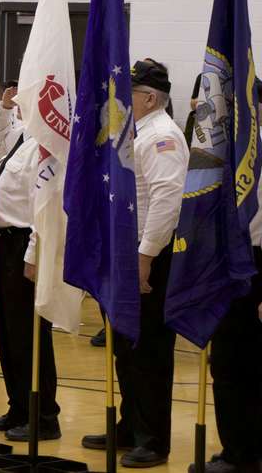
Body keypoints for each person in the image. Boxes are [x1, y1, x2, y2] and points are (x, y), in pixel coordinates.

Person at [81, 59, 189, 468]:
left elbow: (167, 199)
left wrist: (145, 255)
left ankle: (153, 439)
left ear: (148, 97)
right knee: (125, 347)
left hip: (148, 256)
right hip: (125, 252)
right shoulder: (134, 132)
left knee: (148, 352)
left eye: (131, 90)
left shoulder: (162, 136)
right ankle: (130, 426)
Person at [0, 84, 61, 441]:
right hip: (8, 245)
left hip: (27, 247)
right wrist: (3, 106)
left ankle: (44, 416)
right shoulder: (24, 135)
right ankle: (18, 407)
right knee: (11, 334)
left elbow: (45, 209)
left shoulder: (50, 147)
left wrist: (33, 255)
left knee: (31, 336)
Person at [202, 186, 262, 473]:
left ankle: (242, 454)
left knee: (236, 364)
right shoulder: (238, 142)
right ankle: (240, 449)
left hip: (255, 258)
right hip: (231, 255)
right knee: (228, 363)